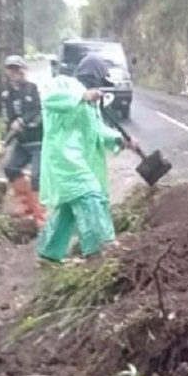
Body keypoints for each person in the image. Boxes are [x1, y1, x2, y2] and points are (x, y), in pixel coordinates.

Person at [36, 53, 139, 263]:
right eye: (100, 81)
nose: (101, 87)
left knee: (68, 209)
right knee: (89, 195)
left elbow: (97, 130)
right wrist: (82, 97)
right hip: (63, 159)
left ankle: (49, 253)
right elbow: (49, 99)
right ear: (92, 76)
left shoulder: (92, 105)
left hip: (77, 160)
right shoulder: (64, 83)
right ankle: (100, 249)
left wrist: (121, 140)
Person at [0, 54, 45, 228]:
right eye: (11, 69)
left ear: (23, 71)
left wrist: (22, 121)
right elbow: (8, 120)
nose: (14, 73)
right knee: (10, 168)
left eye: (17, 69)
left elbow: (35, 110)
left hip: (38, 141)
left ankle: (41, 216)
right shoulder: (6, 95)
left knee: (37, 177)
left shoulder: (31, 89)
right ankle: (28, 206)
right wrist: (3, 142)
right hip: (21, 142)